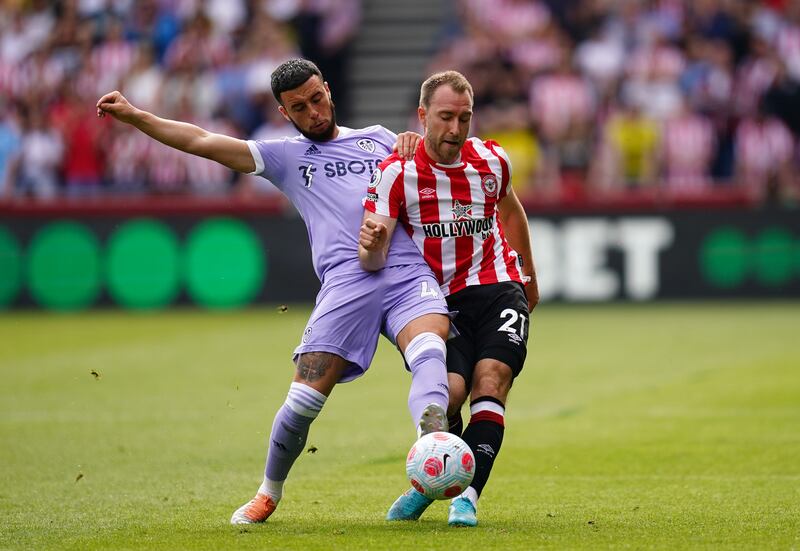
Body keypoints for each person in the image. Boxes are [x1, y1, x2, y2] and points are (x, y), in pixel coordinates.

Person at [96, 58, 452, 525]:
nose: (313, 113)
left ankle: (434, 442)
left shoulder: (382, 139)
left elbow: (446, 169)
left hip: (406, 271)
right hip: (347, 283)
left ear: (328, 89)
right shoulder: (286, 156)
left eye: (317, 99)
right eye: (299, 108)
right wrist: (137, 115)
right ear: (285, 114)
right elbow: (202, 141)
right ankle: (269, 491)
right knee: (303, 403)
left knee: (430, 351)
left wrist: (416, 144)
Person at [360, 70, 539, 527]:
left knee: (491, 381)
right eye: (445, 118)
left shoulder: (493, 160)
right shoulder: (397, 171)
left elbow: (511, 207)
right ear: (422, 116)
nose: (456, 130)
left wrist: (529, 274)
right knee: (450, 395)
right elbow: (372, 254)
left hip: (498, 286)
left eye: (464, 118)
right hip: (439, 304)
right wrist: (373, 241)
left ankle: (468, 497)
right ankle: (431, 482)